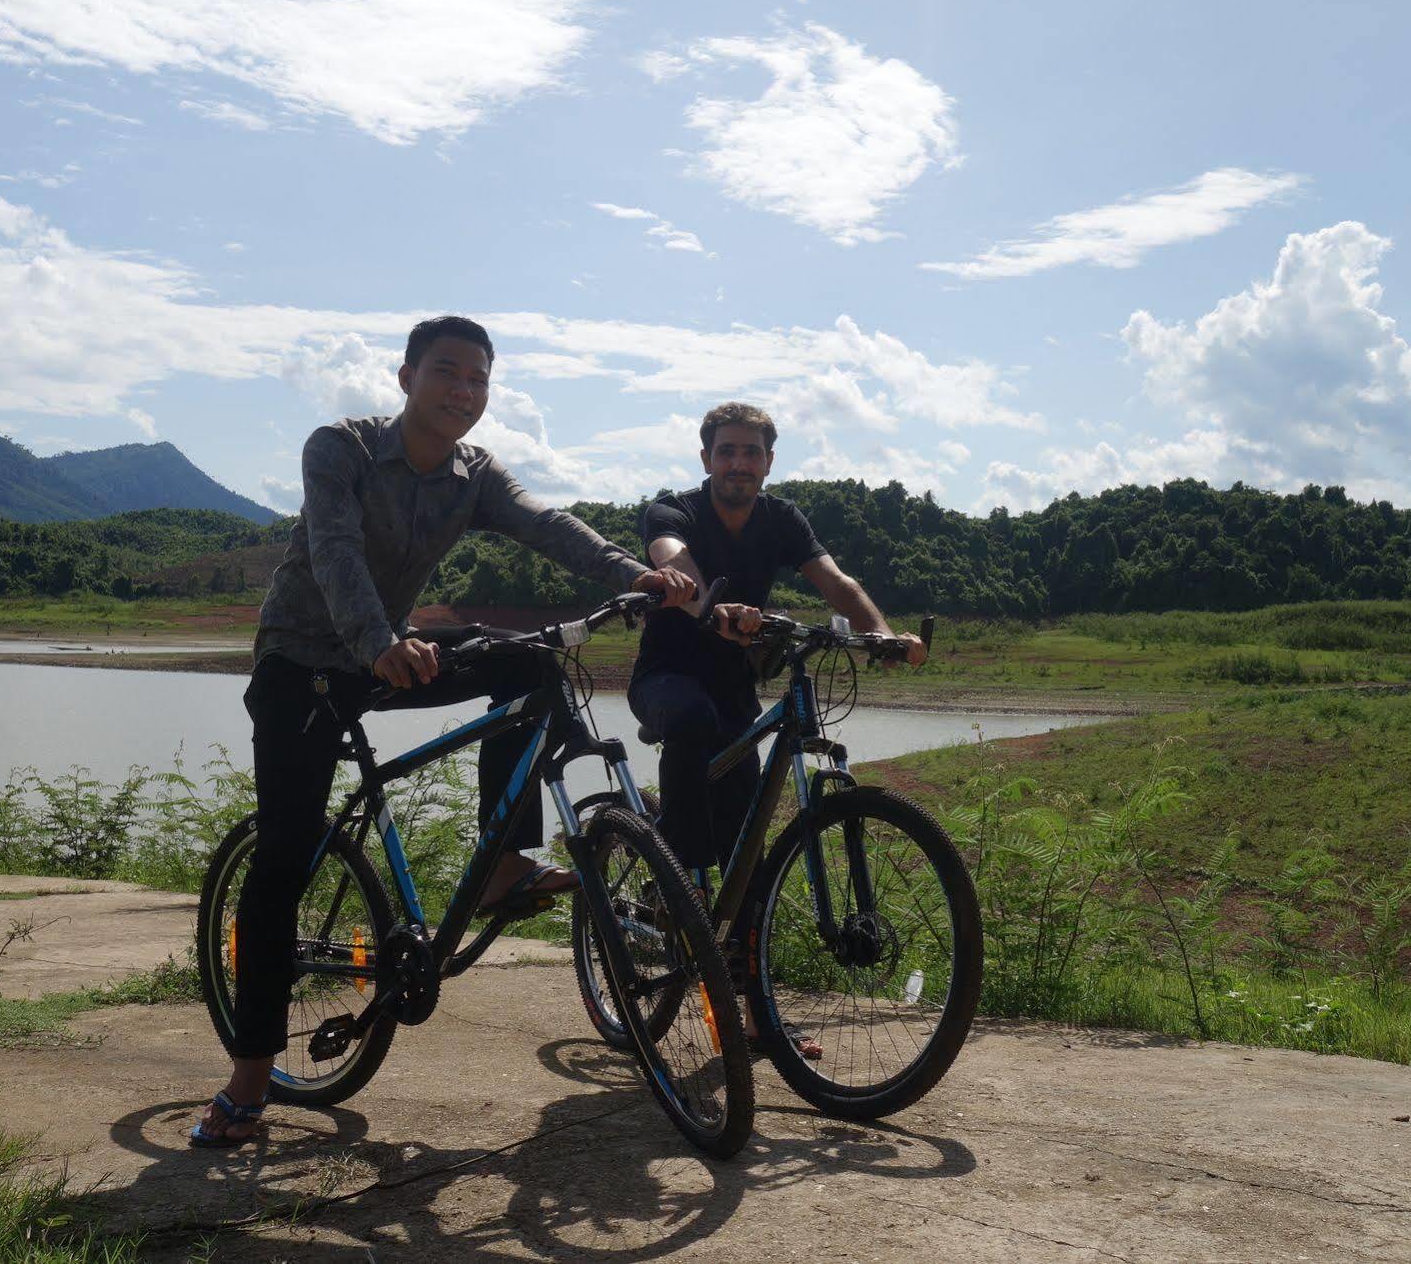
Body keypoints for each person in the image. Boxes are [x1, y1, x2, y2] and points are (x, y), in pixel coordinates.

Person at [193, 315, 694, 1147]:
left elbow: (547, 523)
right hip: (303, 666)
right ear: (405, 378)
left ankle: (502, 865)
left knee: (529, 665)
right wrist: (379, 643)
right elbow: (334, 552)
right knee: (283, 856)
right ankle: (249, 1082)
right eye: (447, 373)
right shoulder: (341, 449)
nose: (464, 392)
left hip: (388, 651)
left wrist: (633, 572)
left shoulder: (474, 472)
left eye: (478, 379)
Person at [627, 403, 926, 1047]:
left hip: (737, 690)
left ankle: (758, 1018)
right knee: (693, 718)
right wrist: (714, 608)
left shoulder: (782, 519)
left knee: (750, 855)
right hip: (665, 681)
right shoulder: (671, 510)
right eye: (727, 451)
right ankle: (678, 874)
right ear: (705, 458)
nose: (739, 463)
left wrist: (881, 635)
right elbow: (675, 561)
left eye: (752, 452)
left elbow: (836, 583)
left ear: (768, 462)